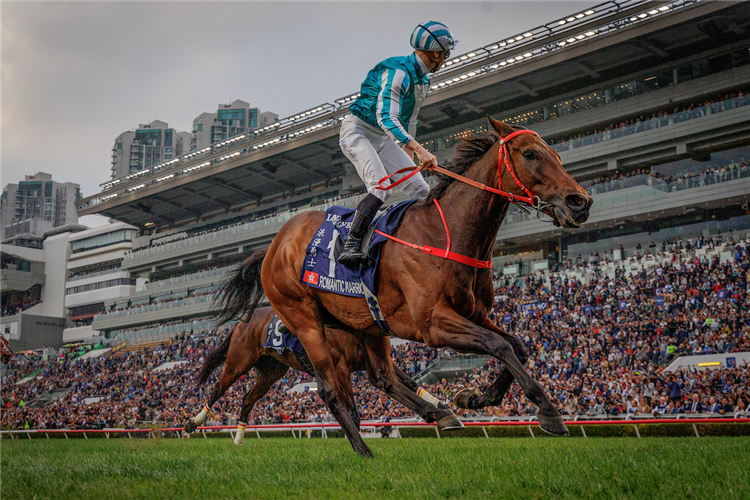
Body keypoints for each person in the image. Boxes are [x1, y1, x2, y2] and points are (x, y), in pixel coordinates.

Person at [338, 21, 458, 265]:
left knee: (422, 190)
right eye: (445, 54)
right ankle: (350, 244)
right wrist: (421, 150)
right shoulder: (399, 73)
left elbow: (409, 120)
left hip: (383, 139)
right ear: (436, 53)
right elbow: (386, 118)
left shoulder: (423, 82)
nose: (445, 59)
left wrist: (409, 155)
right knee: (381, 188)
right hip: (357, 131)